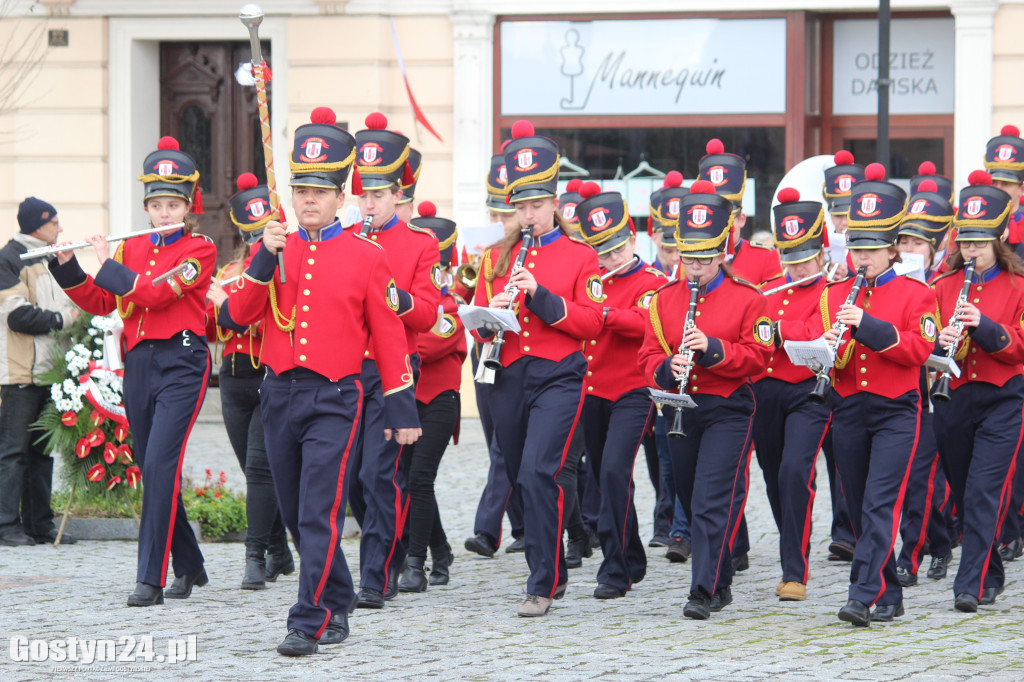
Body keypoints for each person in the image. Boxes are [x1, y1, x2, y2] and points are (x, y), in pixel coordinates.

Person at [228, 106, 420, 655]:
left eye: (321, 191)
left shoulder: (367, 256)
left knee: (319, 510)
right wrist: (263, 260)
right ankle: (337, 595)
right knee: (293, 513)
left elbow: (387, 336)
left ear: (341, 196)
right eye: (301, 190)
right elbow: (237, 316)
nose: (309, 200)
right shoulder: (272, 250)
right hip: (279, 393)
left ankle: (308, 617)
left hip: (336, 396)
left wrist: (402, 411)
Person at [49, 137, 216, 606]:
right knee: (151, 466)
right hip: (140, 362)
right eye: (156, 205)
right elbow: (106, 302)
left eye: (172, 204)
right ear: (147, 207)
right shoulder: (132, 250)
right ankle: (190, 564)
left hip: (183, 361)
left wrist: (106, 263)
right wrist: (71, 269)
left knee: (162, 463)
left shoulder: (199, 248)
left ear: (187, 205)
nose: (164, 213)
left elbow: (159, 294)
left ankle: (150, 580)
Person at [469, 119, 603, 617]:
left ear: (554, 205)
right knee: (523, 477)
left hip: (558, 376)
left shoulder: (579, 254)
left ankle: (540, 582)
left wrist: (538, 294)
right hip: (507, 376)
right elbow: (480, 322)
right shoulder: (493, 258)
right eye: (520, 207)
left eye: (536, 206)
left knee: (539, 471)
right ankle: (555, 568)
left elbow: (590, 323)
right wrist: (489, 318)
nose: (528, 215)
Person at [638, 179, 773, 620]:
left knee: (712, 498)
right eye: (686, 258)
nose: (693, 268)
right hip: (680, 409)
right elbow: (647, 354)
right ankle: (721, 581)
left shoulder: (748, 298)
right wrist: (666, 368)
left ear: (721, 255)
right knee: (693, 496)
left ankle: (702, 589)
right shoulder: (662, 301)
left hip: (728, 407)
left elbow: (760, 356)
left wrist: (712, 348)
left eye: (703, 259)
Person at [818, 163, 937, 627]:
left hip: (895, 414)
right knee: (860, 503)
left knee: (878, 504)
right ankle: (889, 594)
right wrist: (822, 349)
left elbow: (919, 348)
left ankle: (861, 593)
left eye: (870, 250)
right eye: (855, 249)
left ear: (892, 250)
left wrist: (864, 325)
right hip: (848, 409)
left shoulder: (915, 293)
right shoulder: (836, 293)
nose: (861, 259)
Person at [348, 112, 441, 609]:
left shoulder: (420, 245)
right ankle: (392, 546)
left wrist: (395, 297)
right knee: (348, 483)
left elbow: (428, 313)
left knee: (376, 474)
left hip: (393, 373)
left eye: (378, 195)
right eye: (363, 194)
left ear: (398, 196)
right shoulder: (344, 240)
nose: (368, 204)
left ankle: (375, 574)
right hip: (344, 371)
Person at [932, 171, 1024, 612]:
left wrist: (982, 324)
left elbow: (1019, 348)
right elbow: (922, 341)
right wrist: (940, 339)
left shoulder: (1018, 286)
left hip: (1003, 398)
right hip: (952, 398)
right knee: (963, 487)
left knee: (985, 489)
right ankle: (991, 571)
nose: (971, 251)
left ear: (998, 241)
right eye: (966, 242)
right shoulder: (941, 286)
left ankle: (968, 584)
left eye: (980, 243)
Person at [575, 181, 666, 598]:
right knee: (601, 477)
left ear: (633, 238)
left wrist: (601, 312)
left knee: (614, 469)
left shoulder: (653, 279)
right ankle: (628, 555)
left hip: (633, 388)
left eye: (617, 246)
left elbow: (643, 324)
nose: (610, 257)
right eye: (602, 250)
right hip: (592, 387)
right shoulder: (588, 278)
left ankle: (615, 566)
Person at [205, 173, 293, 590]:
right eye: (254, 233)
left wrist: (233, 307)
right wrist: (214, 305)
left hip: (267, 375)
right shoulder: (229, 269)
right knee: (253, 470)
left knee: (260, 469)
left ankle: (255, 556)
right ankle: (279, 550)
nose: (260, 240)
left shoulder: (284, 267)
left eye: (266, 232)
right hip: (233, 378)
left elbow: (274, 320)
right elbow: (214, 327)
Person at [752, 187, 832, 602]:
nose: (797, 269)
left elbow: (828, 332)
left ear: (821, 253)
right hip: (765, 391)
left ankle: (793, 570)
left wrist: (784, 332)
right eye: (790, 260)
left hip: (808, 391)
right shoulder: (767, 290)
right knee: (772, 475)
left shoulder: (833, 289)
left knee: (794, 470)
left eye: (805, 260)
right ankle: (795, 540)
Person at [0, 197, 78, 546]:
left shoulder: (47, 258)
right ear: (38, 225)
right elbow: (16, 315)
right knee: (13, 452)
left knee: (41, 452)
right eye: (54, 223)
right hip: (18, 374)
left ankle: (39, 525)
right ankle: (6, 526)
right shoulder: (10, 257)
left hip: (49, 373)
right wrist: (62, 321)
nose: (59, 229)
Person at [397, 201, 466, 592]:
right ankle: (440, 551)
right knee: (407, 478)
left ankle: (414, 563)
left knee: (419, 479)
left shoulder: (451, 305)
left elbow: (425, 346)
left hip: (438, 399)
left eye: (437, 266)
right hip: (404, 397)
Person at [893, 179, 957, 588]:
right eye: (903, 242)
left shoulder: (947, 284)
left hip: (940, 391)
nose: (908, 251)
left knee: (926, 476)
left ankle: (920, 549)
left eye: (917, 243)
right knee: (911, 476)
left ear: (935, 248)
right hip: (902, 390)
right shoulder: (892, 281)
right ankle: (927, 544)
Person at [464, 151, 526, 558]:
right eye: (494, 213)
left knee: (509, 445)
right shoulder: (487, 252)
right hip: (485, 348)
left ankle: (488, 529)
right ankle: (522, 524)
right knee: (498, 444)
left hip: (520, 355)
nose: (499, 223)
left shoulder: (529, 251)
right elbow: (469, 301)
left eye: (506, 214)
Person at [819, 150, 865, 561]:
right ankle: (842, 527)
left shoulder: (869, 251)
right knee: (838, 449)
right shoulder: (828, 253)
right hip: (834, 366)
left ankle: (852, 528)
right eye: (836, 213)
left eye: (847, 213)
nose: (840, 222)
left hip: (870, 364)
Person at [983, 125, 1024, 559]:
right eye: (995, 181)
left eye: (1007, 183)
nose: (1000, 189)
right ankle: (1006, 528)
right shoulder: (977, 220)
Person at [698, 139, 782, 286]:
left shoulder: (765, 257)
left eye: (727, 221)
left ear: (742, 220)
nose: (721, 229)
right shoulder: (693, 258)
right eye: (714, 220)